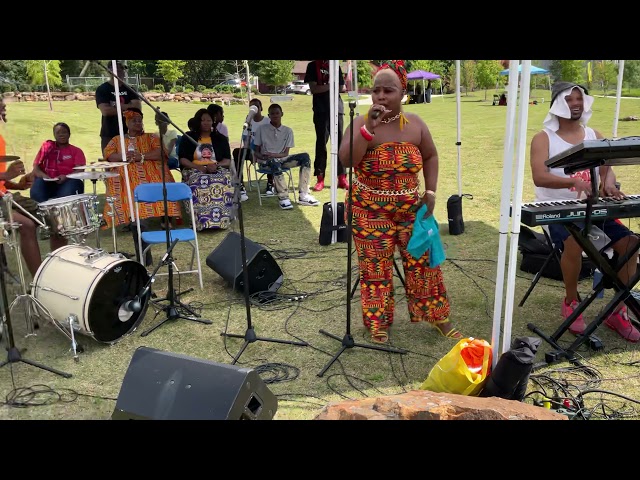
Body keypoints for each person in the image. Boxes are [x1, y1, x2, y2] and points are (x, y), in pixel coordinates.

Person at [338, 60, 460, 344]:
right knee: (375, 269)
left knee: (424, 264)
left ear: (403, 92)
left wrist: (430, 192)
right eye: (376, 90)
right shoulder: (361, 122)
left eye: (388, 90)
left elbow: (430, 156)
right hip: (369, 211)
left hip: (410, 210)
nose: (381, 96)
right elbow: (347, 160)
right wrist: (368, 127)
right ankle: (377, 322)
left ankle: (438, 316)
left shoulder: (415, 124)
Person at [530, 81, 639, 342]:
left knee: (630, 243)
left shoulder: (595, 134)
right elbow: (539, 176)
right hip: (558, 210)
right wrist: (572, 182)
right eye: (570, 99)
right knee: (574, 242)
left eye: (580, 99)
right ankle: (571, 301)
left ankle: (617, 309)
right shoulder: (543, 138)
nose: (576, 104)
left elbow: (606, 169)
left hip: (593, 209)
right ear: (557, 103)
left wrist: (609, 183)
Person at [102, 108, 182, 264]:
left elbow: (161, 153)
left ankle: (162, 235)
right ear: (127, 123)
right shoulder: (117, 140)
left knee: (160, 197)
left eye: (140, 120)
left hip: (152, 178)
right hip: (127, 181)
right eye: (134, 120)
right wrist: (126, 156)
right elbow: (110, 155)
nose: (138, 123)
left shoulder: (151, 137)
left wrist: (141, 156)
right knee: (136, 215)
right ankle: (144, 254)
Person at [0, 96, 42, 277]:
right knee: (26, 225)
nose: (4, 107)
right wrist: (7, 175)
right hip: (2, 200)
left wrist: (17, 184)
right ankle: (38, 280)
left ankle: (53, 273)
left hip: (5, 193)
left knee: (49, 215)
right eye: (0, 106)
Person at [30, 121, 87, 252]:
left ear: (69, 134)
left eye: (64, 132)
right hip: (49, 180)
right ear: (54, 135)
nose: (61, 135)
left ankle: (62, 225)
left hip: (69, 179)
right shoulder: (47, 149)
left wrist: (66, 176)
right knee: (37, 190)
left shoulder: (76, 151)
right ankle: (45, 224)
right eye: (58, 133)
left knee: (67, 193)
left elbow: (80, 170)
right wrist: (45, 176)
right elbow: (36, 168)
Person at [253, 103, 319, 210]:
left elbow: (286, 153)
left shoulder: (288, 131)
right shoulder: (261, 129)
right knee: (273, 161)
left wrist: (274, 155)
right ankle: (283, 197)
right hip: (266, 162)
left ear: (282, 114)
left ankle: (303, 194)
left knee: (305, 157)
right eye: (272, 113)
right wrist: (262, 157)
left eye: (277, 113)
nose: (275, 115)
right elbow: (255, 150)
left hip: (281, 159)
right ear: (268, 115)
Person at [178, 108, 234, 231]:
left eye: (209, 120)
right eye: (202, 120)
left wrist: (216, 165)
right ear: (197, 122)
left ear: (213, 122)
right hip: (194, 169)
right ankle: (200, 222)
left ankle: (221, 221)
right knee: (198, 181)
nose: (206, 123)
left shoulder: (220, 138)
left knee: (223, 180)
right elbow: (183, 159)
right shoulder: (189, 137)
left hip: (216, 169)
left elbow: (227, 160)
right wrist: (199, 167)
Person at [304, 60, 349, 192]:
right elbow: (314, 89)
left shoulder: (336, 66)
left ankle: (342, 178)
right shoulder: (312, 66)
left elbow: (341, 88)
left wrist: (326, 86)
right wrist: (331, 85)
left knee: (340, 143)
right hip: (321, 110)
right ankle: (320, 178)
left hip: (337, 108)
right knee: (321, 143)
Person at [95, 61, 142, 153]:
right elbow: (106, 111)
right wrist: (129, 107)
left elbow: (137, 108)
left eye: (122, 69)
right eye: (116, 69)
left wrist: (117, 106)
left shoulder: (130, 89)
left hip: (130, 132)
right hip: (109, 133)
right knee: (110, 162)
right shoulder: (103, 89)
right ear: (109, 71)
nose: (120, 71)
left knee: (132, 161)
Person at [237, 98, 274, 196]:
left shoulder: (267, 121)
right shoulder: (248, 121)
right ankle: (240, 185)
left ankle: (271, 183)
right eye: (251, 106)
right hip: (251, 151)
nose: (254, 108)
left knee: (271, 153)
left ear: (261, 108)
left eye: (257, 106)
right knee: (237, 152)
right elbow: (245, 139)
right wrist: (250, 151)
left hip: (265, 151)